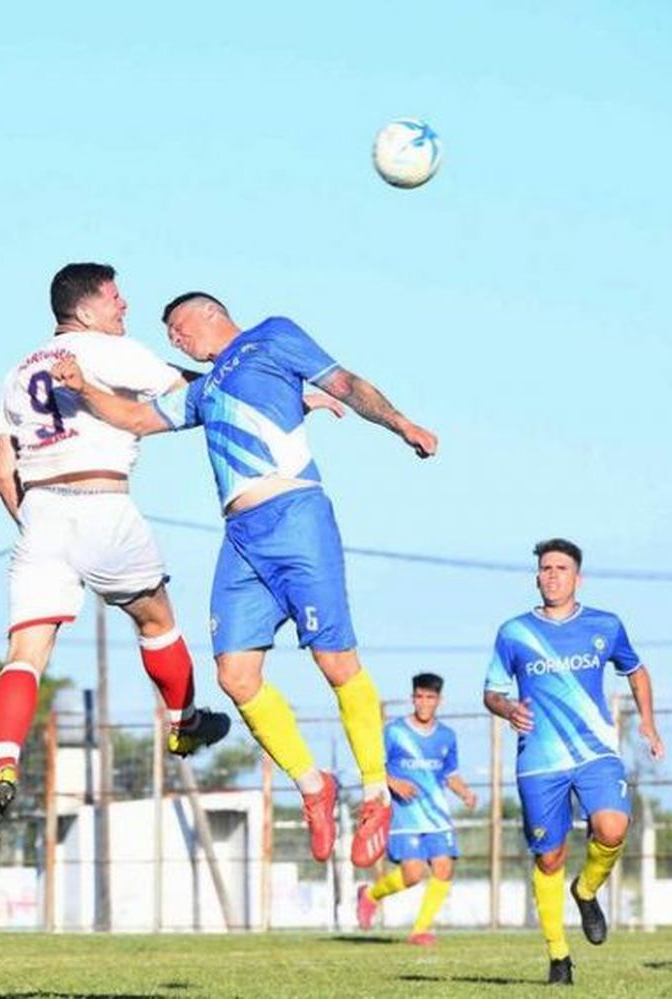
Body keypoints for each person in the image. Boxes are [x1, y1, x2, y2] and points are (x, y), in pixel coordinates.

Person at [50, 291, 438, 867]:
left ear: (210, 313)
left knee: (334, 663)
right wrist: (81, 387)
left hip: (298, 519)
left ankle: (375, 792)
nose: (176, 341)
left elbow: (347, 383)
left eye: (179, 328)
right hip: (241, 538)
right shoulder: (203, 391)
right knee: (234, 676)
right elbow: (136, 417)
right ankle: (314, 786)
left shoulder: (273, 335)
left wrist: (400, 422)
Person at [0, 264, 238, 850]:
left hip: (40, 513)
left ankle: (4, 765)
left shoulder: (16, 373)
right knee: (157, 619)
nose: (124, 307)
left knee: (24, 654)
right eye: (115, 298)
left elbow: (0, 469)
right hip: (103, 501)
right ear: (85, 312)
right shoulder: (111, 352)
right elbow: (200, 390)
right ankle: (183, 726)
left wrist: (39, 524)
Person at [483, 539, 664, 986]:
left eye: (561, 568)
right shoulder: (514, 632)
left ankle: (585, 891)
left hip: (595, 751)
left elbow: (636, 670)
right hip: (539, 759)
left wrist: (648, 723)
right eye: (545, 568)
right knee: (549, 857)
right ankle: (559, 957)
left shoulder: (605, 624)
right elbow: (491, 691)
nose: (552, 575)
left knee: (613, 827)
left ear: (576, 577)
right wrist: (507, 709)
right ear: (537, 577)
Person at [357, 673, 477, 944]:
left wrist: (465, 793)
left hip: (437, 815)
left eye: (430, 697)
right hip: (404, 814)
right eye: (419, 697)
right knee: (413, 874)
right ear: (413, 698)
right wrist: (393, 782)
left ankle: (420, 930)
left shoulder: (446, 736)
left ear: (439, 700)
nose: (424, 702)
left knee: (444, 868)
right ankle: (369, 896)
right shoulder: (394, 732)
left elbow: (450, 774)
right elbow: (373, 767)